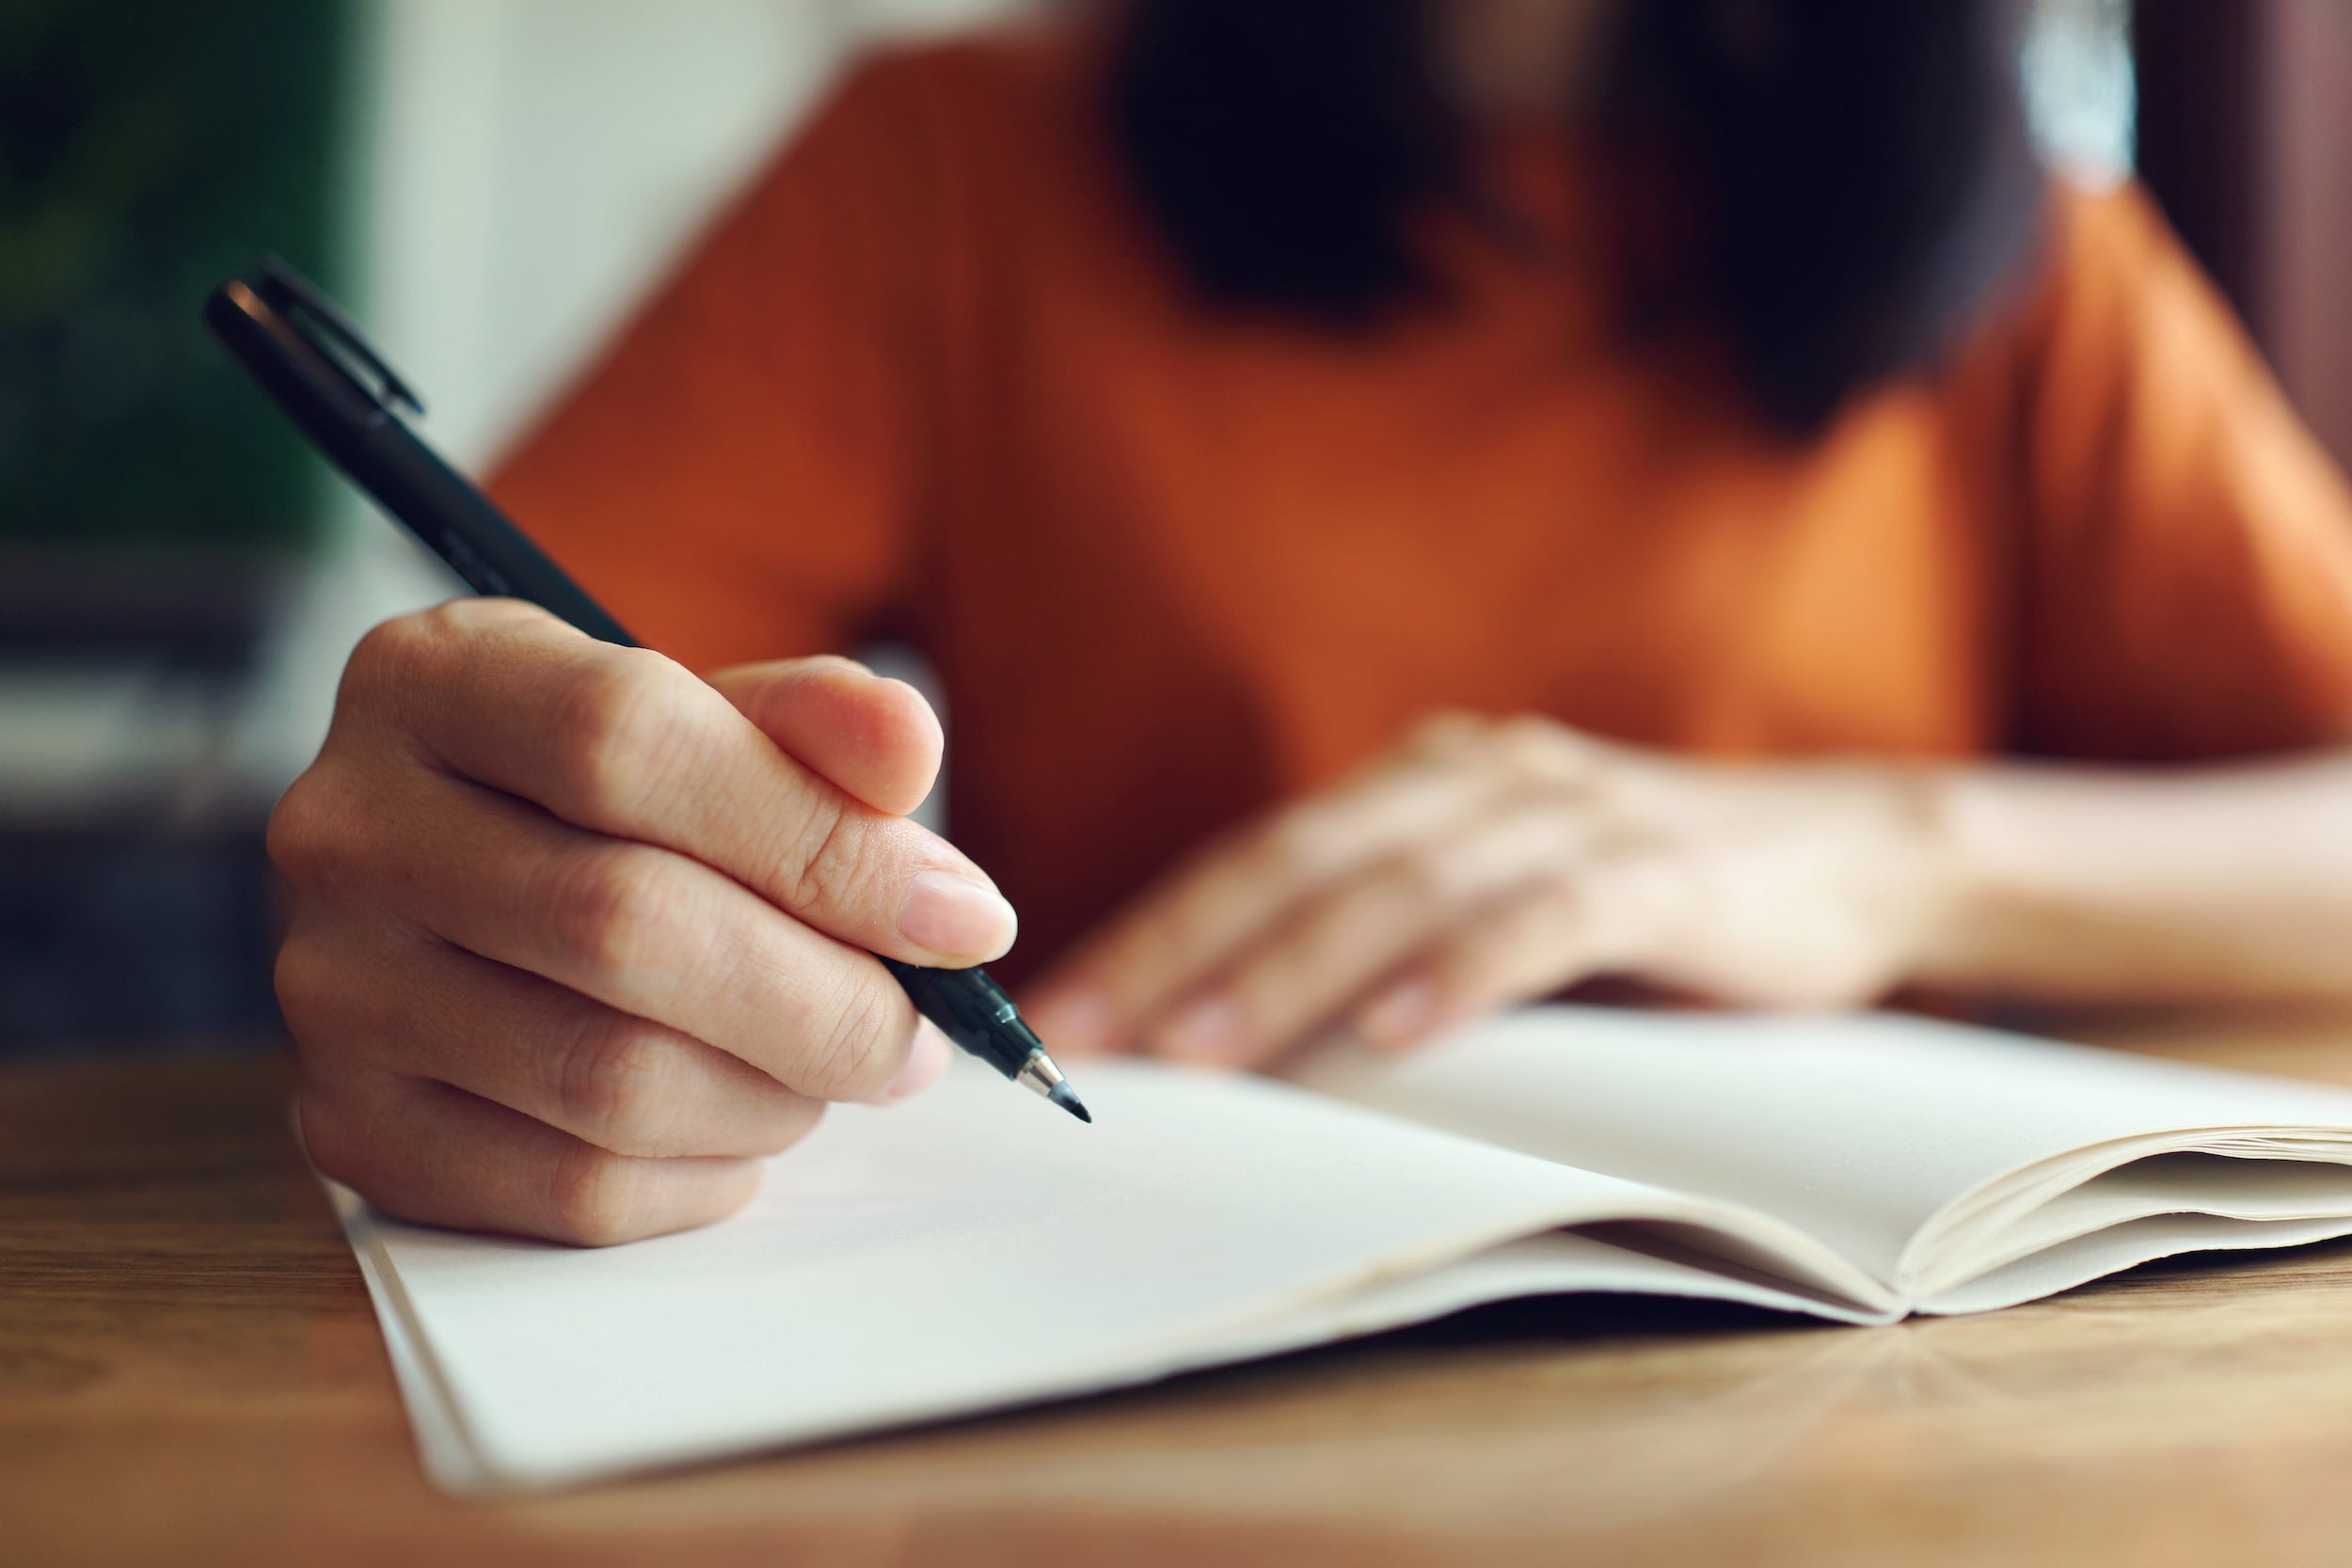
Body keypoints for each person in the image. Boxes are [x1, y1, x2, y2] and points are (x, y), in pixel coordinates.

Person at [269, 0, 2352, 1244]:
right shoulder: (940, 169)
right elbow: (563, 711)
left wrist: (1892, 852)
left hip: (1889, 1402)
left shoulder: (2039, 268)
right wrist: (522, 878)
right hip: (1105, 1334)